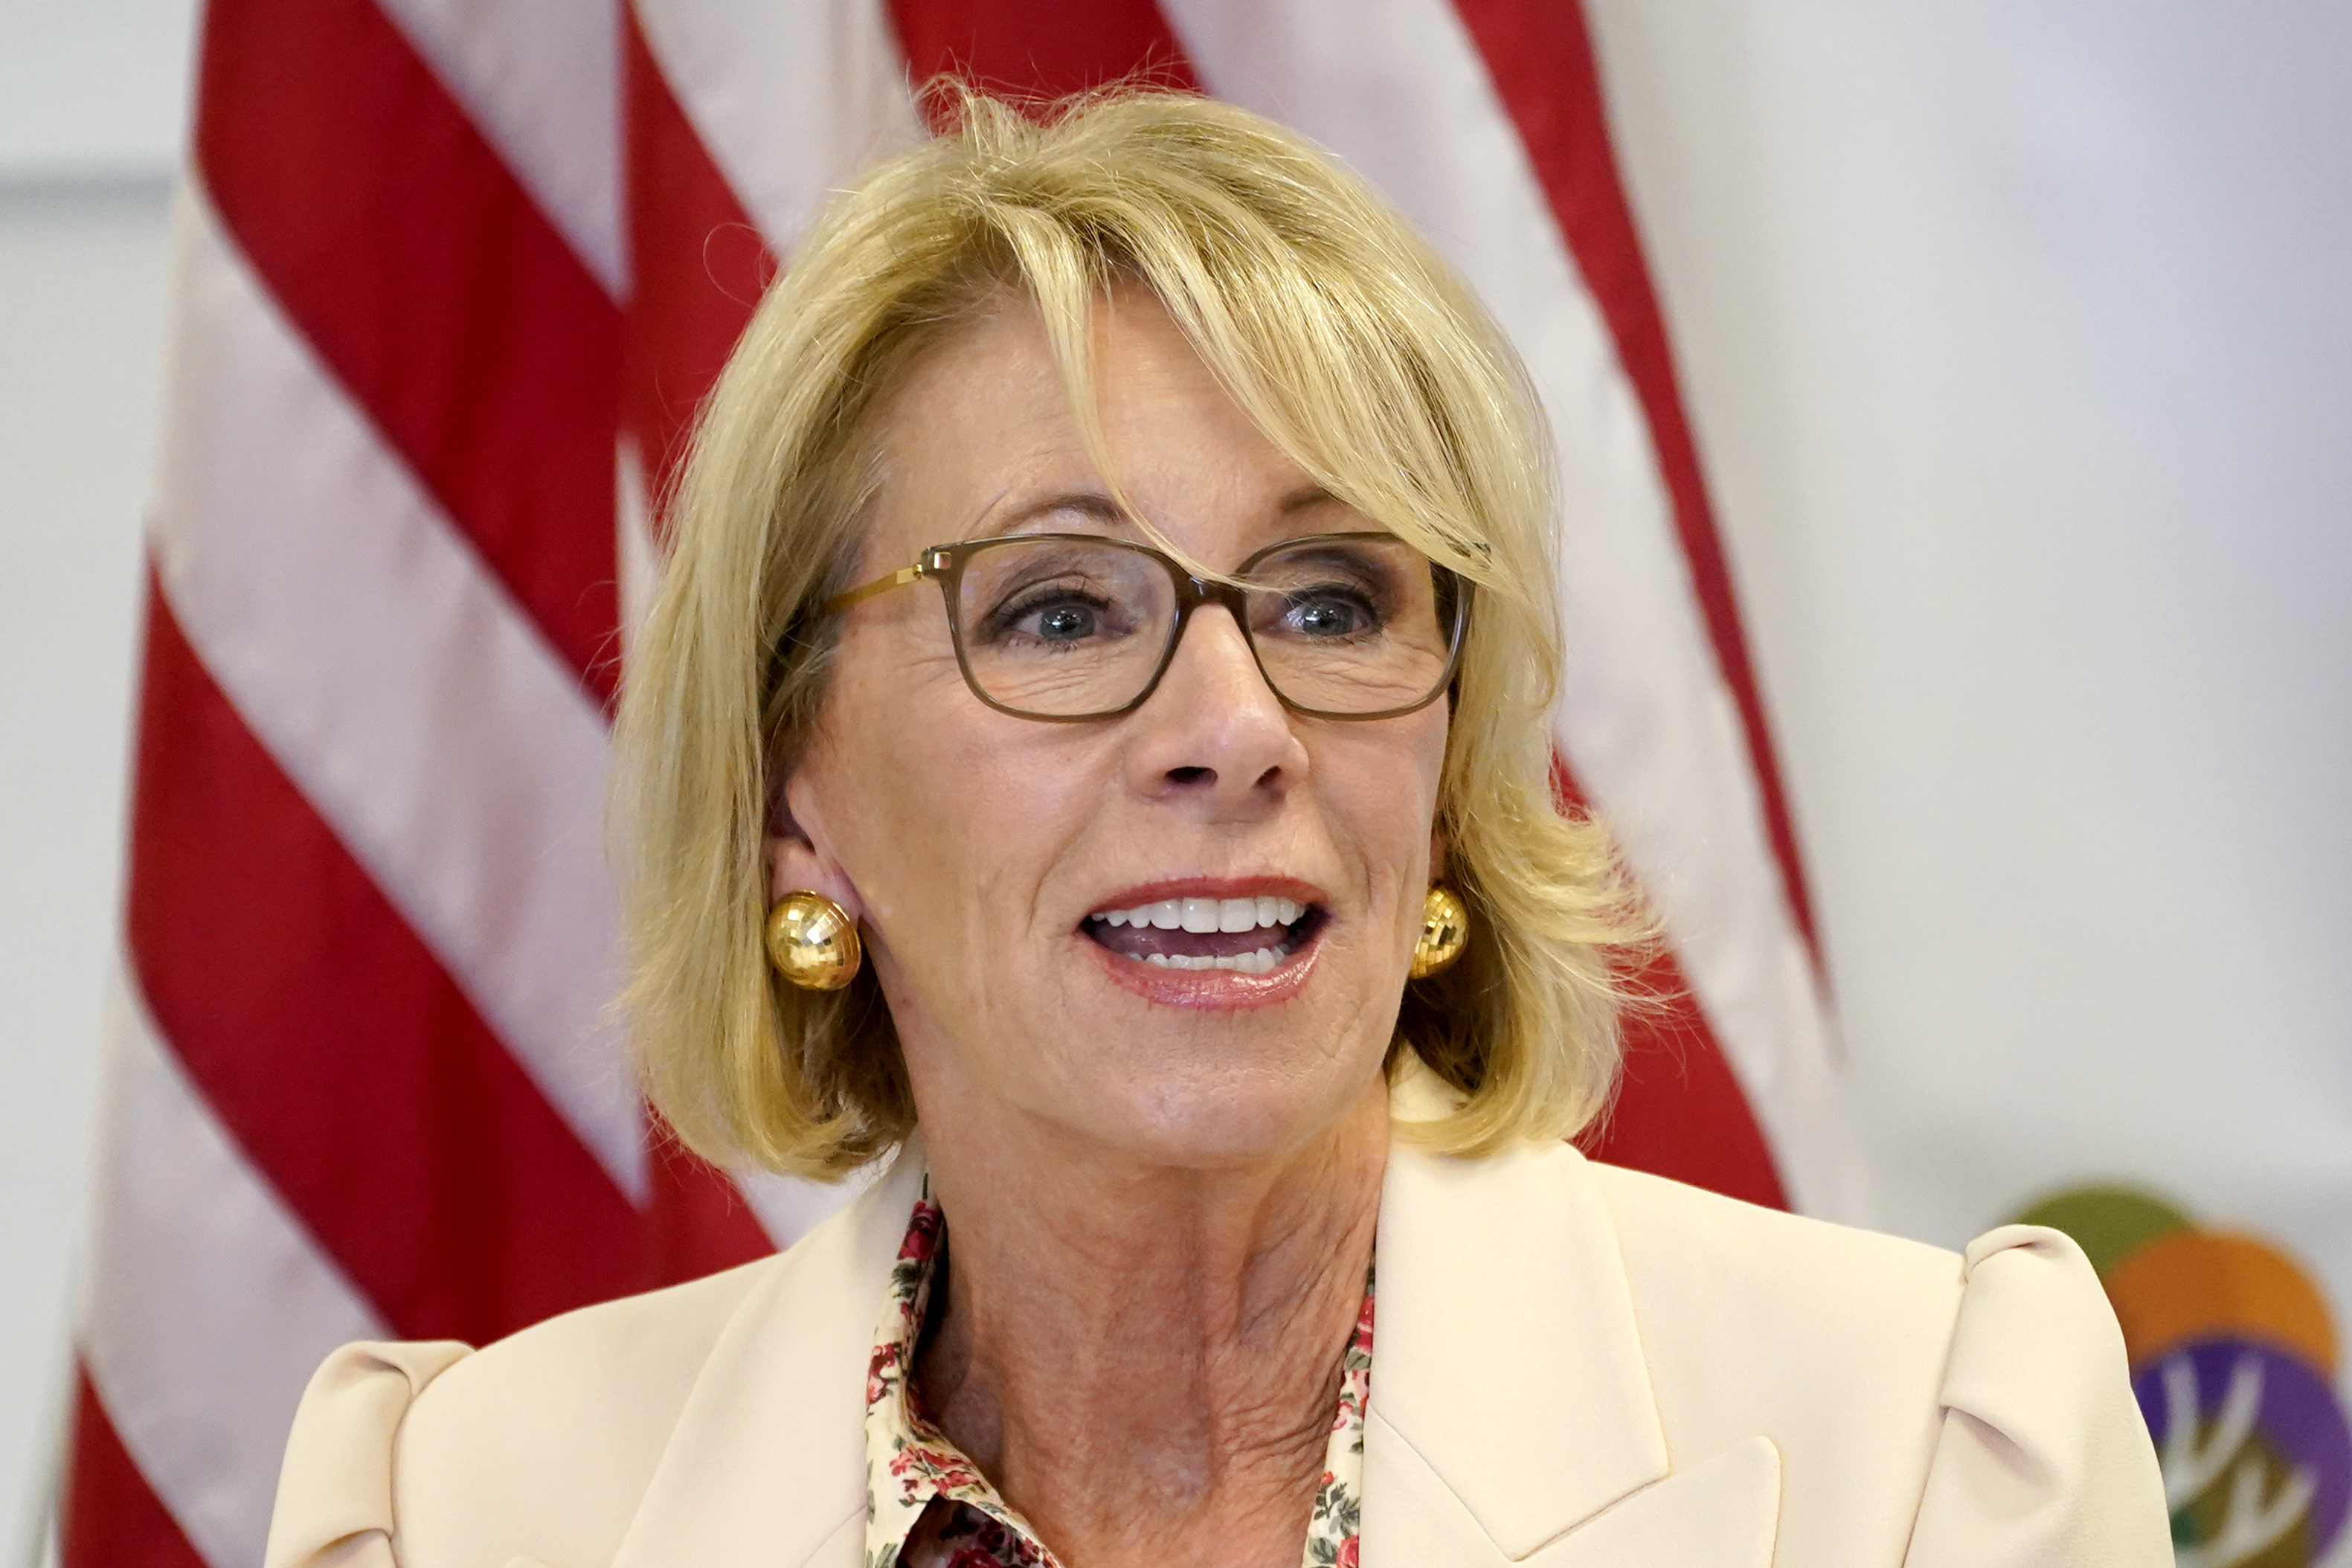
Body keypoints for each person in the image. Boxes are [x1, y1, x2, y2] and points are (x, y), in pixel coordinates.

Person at [263, 91, 2169, 1568]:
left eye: (1334, 601)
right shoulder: (461, 1510)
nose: (1237, 728)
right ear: (793, 801)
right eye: (1061, 610)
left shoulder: (1919, 1453)